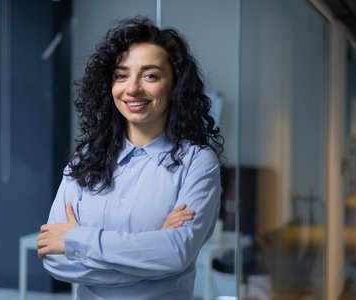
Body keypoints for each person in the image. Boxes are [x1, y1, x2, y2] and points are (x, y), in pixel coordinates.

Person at [36, 16, 224, 300]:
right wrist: (151, 255)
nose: (132, 88)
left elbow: (176, 253)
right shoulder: (85, 159)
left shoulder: (198, 162)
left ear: (174, 87)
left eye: (150, 76)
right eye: (121, 75)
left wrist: (76, 239)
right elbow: (53, 258)